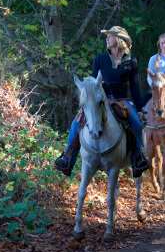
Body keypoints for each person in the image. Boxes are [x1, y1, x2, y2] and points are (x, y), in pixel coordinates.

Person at [54, 26, 150, 177]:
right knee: (76, 122)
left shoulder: (131, 62)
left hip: (121, 101)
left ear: (119, 39)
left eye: (109, 36)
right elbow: (92, 82)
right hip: (100, 100)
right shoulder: (100, 59)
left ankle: (137, 158)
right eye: (107, 37)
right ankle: (68, 159)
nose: (107, 39)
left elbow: (135, 87)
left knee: (136, 124)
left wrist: (138, 109)